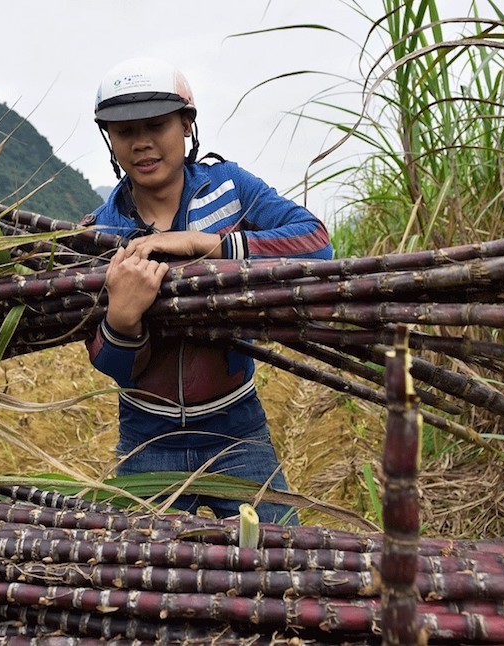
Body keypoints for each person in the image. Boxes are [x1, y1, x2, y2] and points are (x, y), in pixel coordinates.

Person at [81, 57, 333, 524]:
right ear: (109, 138)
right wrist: (122, 319)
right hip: (147, 440)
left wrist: (209, 245)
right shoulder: (100, 232)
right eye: (124, 131)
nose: (141, 143)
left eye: (156, 125)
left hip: (236, 431)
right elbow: (112, 366)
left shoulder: (231, 190)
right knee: (141, 565)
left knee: (276, 553)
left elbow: (317, 244)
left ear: (186, 124)